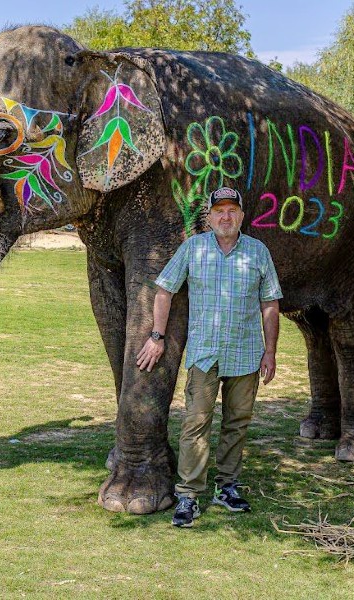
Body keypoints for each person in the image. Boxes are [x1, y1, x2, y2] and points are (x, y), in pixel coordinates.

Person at [137, 186, 283, 528]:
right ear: (211, 216)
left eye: (232, 210)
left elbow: (270, 303)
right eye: (219, 211)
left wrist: (270, 351)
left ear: (242, 216)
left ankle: (227, 487)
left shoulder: (258, 252)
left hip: (246, 353)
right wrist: (157, 336)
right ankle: (188, 495)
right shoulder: (193, 248)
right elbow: (164, 290)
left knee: (237, 423)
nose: (225, 216)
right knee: (196, 423)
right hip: (205, 354)